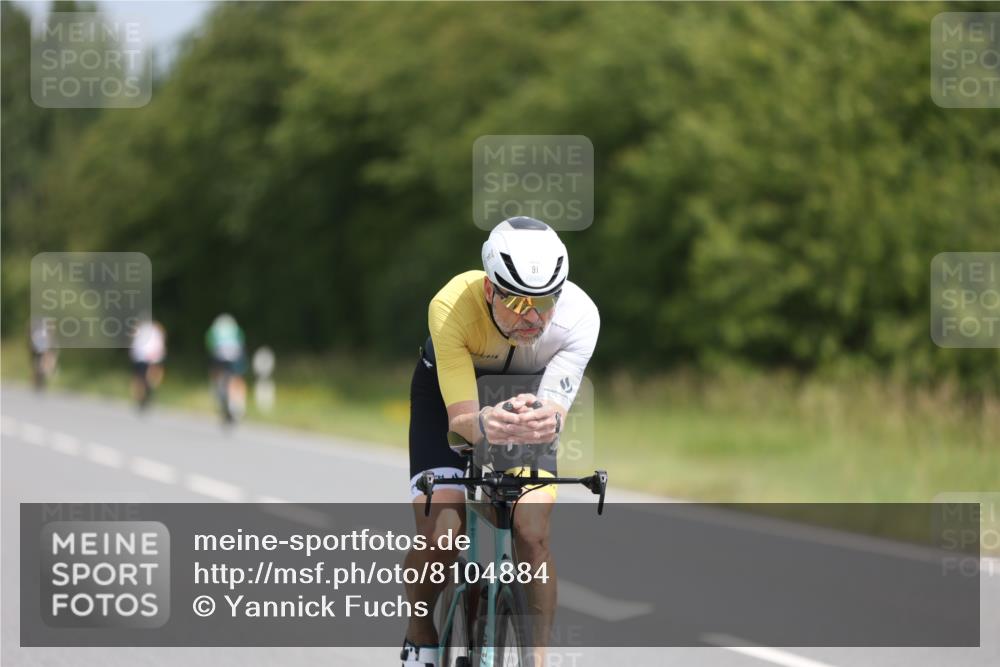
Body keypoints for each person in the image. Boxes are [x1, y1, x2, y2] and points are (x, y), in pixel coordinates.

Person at [401, 217, 600, 667]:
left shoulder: (580, 318)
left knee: (531, 532)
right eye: (515, 300)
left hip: (523, 400)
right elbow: (462, 421)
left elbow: (552, 414)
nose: (532, 317)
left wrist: (544, 423)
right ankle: (420, 633)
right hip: (451, 399)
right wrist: (484, 427)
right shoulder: (451, 306)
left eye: (545, 301)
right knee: (444, 533)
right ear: (489, 289)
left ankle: (538, 659)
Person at [205, 313, 247, 422]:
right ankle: (239, 403)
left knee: (216, 374)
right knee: (237, 378)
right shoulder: (235, 328)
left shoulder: (215, 328)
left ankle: (218, 393)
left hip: (219, 355)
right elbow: (241, 340)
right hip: (235, 354)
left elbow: (210, 342)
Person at [129, 318, 167, 410]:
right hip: (143, 357)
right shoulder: (147, 330)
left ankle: (144, 396)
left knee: (146, 379)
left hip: (150, 358)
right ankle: (141, 398)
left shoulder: (153, 330)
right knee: (141, 379)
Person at [28, 318, 58, 392]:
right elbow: (36, 342)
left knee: (43, 368)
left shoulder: (50, 334)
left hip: (45, 353)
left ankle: (41, 383)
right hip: (39, 352)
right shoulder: (42, 333)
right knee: (38, 368)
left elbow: (53, 345)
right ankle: (36, 383)